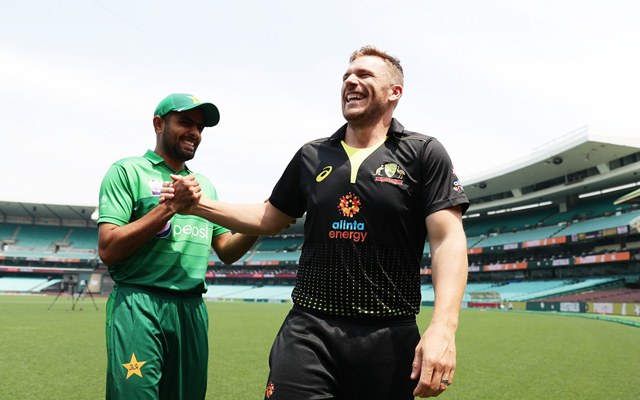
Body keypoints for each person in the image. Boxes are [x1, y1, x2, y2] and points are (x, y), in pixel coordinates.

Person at [164, 46, 469, 399]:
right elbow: (267, 218)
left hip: (389, 334)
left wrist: (443, 328)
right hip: (309, 329)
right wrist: (198, 206)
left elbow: (447, 239)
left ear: (394, 92)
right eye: (346, 77)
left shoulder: (423, 153)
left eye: (365, 75)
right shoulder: (312, 155)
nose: (351, 81)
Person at [97, 93, 258, 400]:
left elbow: (226, 250)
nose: (194, 133)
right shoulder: (127, 171)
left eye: (200, 127)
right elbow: (108, 249)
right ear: (159, 124)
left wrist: (262, 226)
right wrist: (170, 207)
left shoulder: (204, 185)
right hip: (139, 303)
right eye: (185, 122)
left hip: (191, 309)